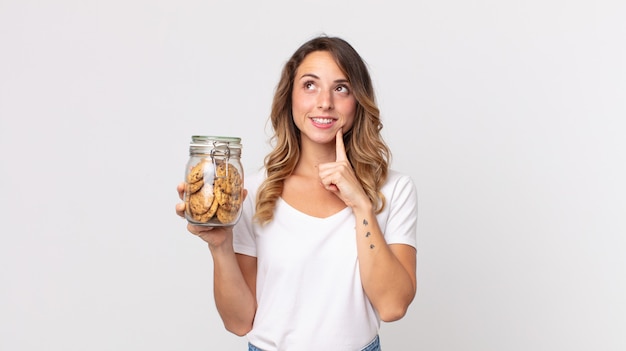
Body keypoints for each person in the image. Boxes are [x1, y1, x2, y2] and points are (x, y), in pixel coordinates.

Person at [176, 35, 418, 351]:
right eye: (309, 85)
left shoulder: (394, 189)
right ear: (289, 98)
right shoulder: (255, 192)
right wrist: (220, 246)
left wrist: (360, 204)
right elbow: (238, 323)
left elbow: (393, 306)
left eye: (341, 88)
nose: (325, 102)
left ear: (358, 101)